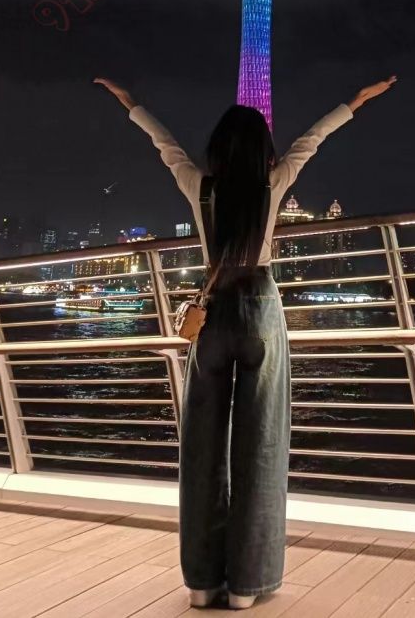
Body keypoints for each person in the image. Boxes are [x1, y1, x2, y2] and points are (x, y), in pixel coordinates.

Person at [93, 76, 398, 609]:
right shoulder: (272, 185)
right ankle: (246, 586)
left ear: (218, 148)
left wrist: (132, 103)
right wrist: (355, 101)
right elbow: (312, 140)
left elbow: (166, 147)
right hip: (259, 309)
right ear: (262, 150)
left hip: (212, 313)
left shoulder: (200, 187)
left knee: (202, 448)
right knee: (261, 448)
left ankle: (202, 583)